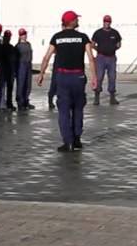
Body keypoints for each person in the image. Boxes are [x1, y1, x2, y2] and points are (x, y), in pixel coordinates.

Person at [38, 10, 98, 152]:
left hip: (63, 77)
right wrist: (94, 77)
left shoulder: (57, 38)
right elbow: (91, 58)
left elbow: (46, 57)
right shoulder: (83, 38)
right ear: (71, 21)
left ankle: (68, 142)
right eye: (76, 19)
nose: (78, 20)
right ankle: (77, 139)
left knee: (64, 111)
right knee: (78, 108)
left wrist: (41, 74)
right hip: (78, 77)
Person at [90, 14, 123, 106]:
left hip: (111, 58)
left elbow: (119, 44)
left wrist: (113, 49)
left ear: (110, 22)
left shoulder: (115, 33)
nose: (107, 23)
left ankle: (112, 97)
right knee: (99, 77)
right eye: (105, 22)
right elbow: (92, 44)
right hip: (101, 58)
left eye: (108, 22)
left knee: (112, 77)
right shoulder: (98, 33)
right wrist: (98, 50)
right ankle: (97, 97)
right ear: (103, 22)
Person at [0, 29, 17, 111]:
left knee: (10, 88)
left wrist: (14, 70)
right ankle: (1, 105)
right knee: (2, 88)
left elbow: (14, 59)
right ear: (4, 37)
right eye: (6, 37)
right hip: (3, 70)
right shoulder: (1, 47)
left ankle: (9, 104)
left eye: (9, 37)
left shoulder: (12, 47)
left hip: (10, 70)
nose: (8, 38)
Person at [15, 28, 34, 111]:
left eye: (25, 34)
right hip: (21, 65)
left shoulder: (28, 44)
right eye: (22, 34)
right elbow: (15, 58)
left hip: (28, 64)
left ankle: (26, 100)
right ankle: (20, 102)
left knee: (28, 84)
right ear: (20, 36)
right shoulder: (17, 46)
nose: (24, 36)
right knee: (21, 84)